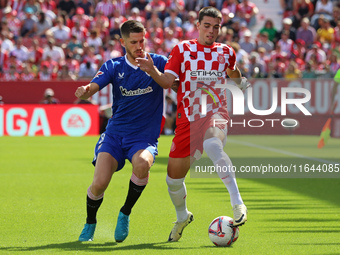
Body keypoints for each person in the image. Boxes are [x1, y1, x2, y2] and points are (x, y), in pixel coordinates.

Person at [136, 6, 248, 242]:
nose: (211, 31)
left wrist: (241, 82)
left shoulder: (226, 51)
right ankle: (181, 216)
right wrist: (152, 70)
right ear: (197, 26)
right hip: (188, 119)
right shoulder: (182, 50)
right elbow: (168, 82)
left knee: (213, 145)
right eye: (206, 26)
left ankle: (238, 204)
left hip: (215, 112)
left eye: (216, 27)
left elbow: (234, 72)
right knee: (173, 180)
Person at [75, 20, 168, 243]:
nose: (139, 46)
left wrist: (152, 71)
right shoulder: (114, 66)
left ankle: (125, 212)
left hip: (143, 137)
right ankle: (90, 222)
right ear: (122, 42)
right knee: (99, 184)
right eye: (133, 42)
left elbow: (172, 84)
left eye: (142, 41)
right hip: (115, 135)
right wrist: (86, 91)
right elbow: (93, 87)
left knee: (143, 164)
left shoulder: (159, 62)